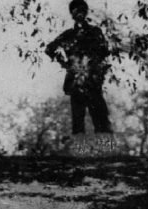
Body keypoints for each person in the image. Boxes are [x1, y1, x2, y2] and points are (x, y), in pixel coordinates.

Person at [45, 0, 112, 135]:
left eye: (82, 9)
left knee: (100, 116)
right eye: (75, 10)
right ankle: (81, 153)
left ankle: (107, 152)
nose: (79, 12)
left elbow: (105, 51)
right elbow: (49, 49)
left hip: (93, 80)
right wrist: (64, 63)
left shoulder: (95, 31)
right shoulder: (68, 35)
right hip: (75, 81)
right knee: (78, 118)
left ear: (86, 12)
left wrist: (98, 67)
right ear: (71, 14)